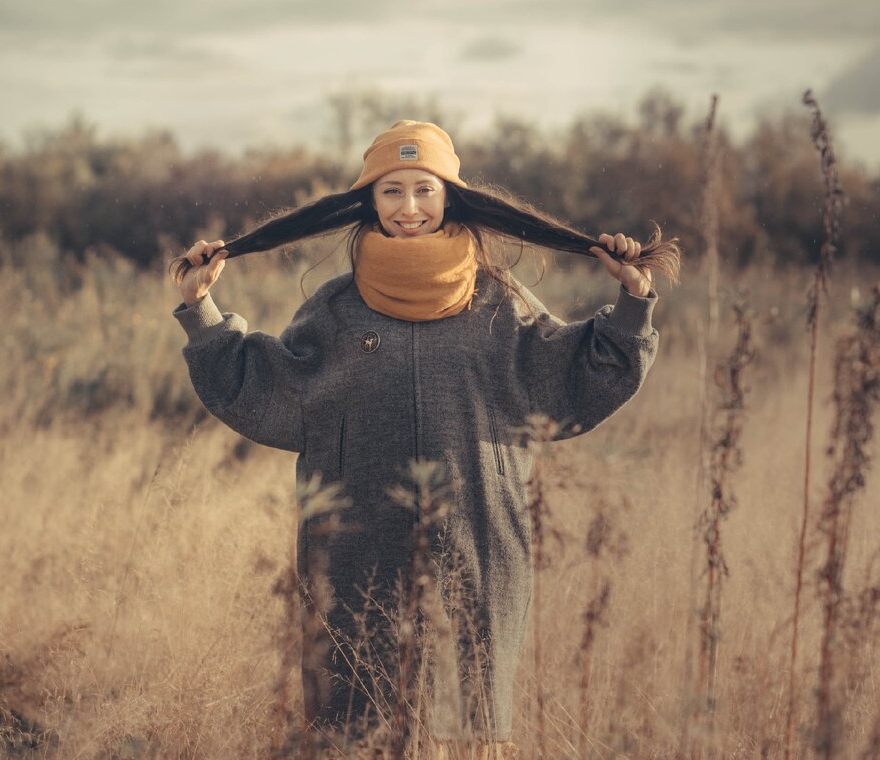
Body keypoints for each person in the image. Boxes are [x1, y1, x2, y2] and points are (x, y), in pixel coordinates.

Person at [170, 121, 679, 757]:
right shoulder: (334, 311)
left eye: (424, 189)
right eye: (390, 192)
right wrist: (202, 313)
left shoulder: (498, 303)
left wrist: (633, 303)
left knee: (460, 736)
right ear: (369, 202)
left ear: (449, 196)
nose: (408, 208)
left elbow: (578, 375)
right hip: (356, 566)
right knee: (359, 738)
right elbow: (263, 386)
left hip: (478, 559)